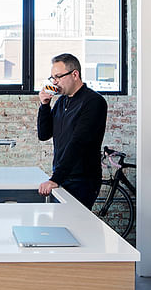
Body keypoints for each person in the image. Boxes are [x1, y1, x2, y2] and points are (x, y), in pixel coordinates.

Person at [37, 53, 108, 209]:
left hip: (82, 180)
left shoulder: (94, 102)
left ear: (75, 74)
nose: (54, 82)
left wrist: (55, 179)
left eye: (58, 77)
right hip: (62, 176)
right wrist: (44, 106)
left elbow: (79, 142)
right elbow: (44, 135)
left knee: (76, 228)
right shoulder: (62, 101)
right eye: (52, 78)